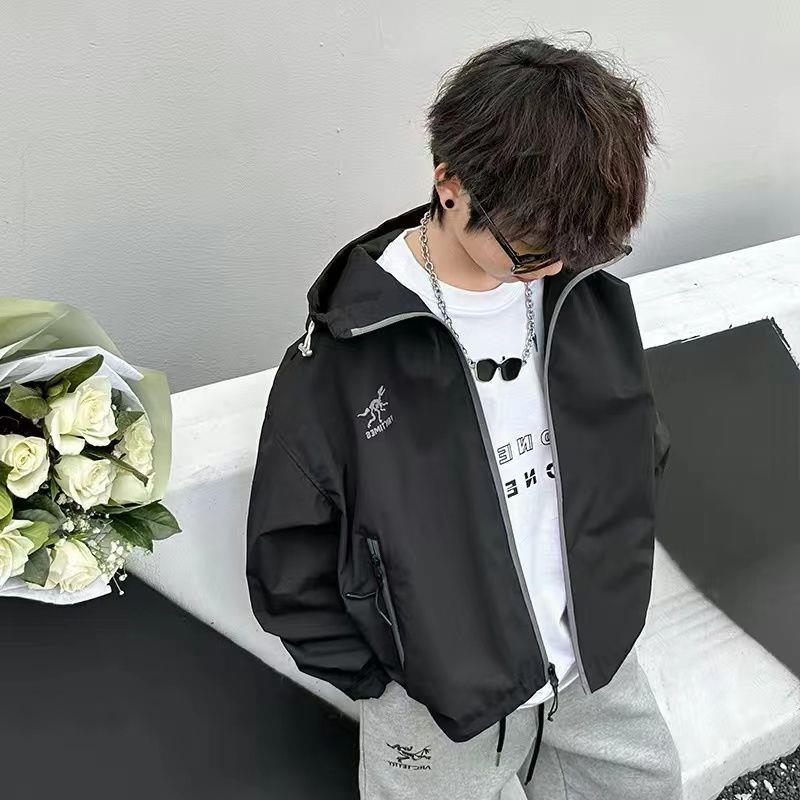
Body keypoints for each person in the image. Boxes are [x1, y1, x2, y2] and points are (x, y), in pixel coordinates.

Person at [245, 35, 682, 800]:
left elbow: (637, 448)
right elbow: (290, 547)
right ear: (450, 183)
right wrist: (384, 679)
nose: (553, 264)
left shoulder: (585, 299)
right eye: (532, 246)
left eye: (577, 244)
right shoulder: (347, 355)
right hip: (435, 699)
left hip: (592, 662)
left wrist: (613, 592)